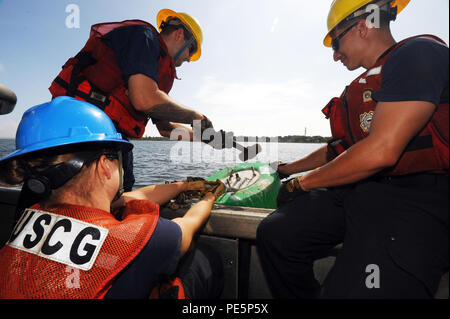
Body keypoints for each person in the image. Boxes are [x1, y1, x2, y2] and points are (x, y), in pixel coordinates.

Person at [257, 0, 448, 299]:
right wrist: (289, 169)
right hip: (362, 189)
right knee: (277, 233)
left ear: (362, 26)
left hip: (420, 196)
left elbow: (381, 150)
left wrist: (303, 183)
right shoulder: (360, 87)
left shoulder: (419, 53)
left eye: (336, 41)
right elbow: (341, 149)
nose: (334, 55)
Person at [0, 96, 225, 299]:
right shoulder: (145, 238)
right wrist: (209, 197)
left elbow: (133, 196)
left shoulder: (28, 218)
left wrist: (184, 185)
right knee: (203, 261)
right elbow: (188, 224)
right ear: (105, 165)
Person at [49, 9, 227, 191]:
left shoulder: (159, 70)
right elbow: (143, 99)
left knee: (123, 188)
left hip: (112, 138)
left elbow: (166, 129)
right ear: (179, 34)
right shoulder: (144, 37)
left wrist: (204, 138)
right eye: (192, 49)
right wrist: (197, 117)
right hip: (79, 130)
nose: (190, 59)